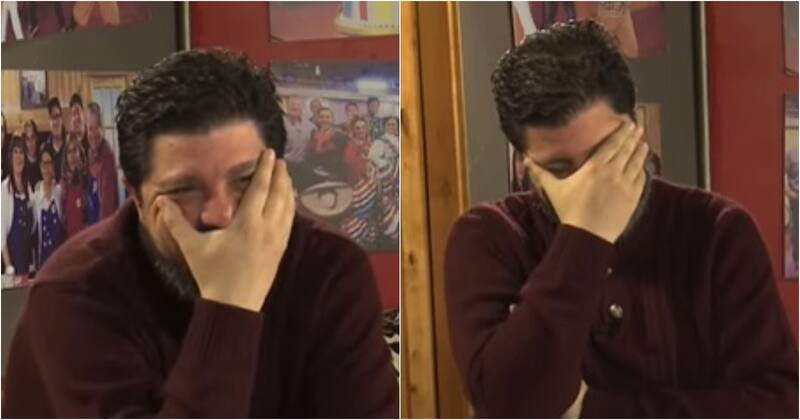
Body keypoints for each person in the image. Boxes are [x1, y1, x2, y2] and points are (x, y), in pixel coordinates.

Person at [2, 49, 398, 418]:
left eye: (245, 180)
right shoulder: (76, 293)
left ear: (279, 178)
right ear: (135, 195)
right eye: (183, 190)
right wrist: (231, 306)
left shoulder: (331, 272)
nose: (221, 215)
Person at [445, 21, 798, 418]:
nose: (592, 185)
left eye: (604, 156)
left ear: (636, 128)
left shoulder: (718, 231)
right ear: (523, 163)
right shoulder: (489, 237)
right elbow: (507, 404)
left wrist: (592, 411)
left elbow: (776, 406)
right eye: (561, 169)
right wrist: (585, 234)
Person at [1, 137, 35, 285]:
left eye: (21, 152)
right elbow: (1, 235)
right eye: (15, 152)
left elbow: (32, 226)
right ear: (10, 157)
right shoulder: (4, 189)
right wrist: (9, 268)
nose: (19, 156)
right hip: (13, 268)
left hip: (28, 265)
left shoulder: (28, 187)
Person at [61, 133, 100, 238]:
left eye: (75, 150)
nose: (72, 156)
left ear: (80, 153)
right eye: (69, 152)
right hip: (70, 242)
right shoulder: (63, 186)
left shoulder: (90, 182)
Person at [32, 144, 64, 269]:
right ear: (40, 167)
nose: (46, 168)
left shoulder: (60, 192)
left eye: (49, 163)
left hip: (61, 259)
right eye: (43, 164)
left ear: (53, 165)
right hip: (43, 262)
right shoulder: (35, 198)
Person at [86, 102, 119, 219]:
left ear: (102, 128)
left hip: (104, 223)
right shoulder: (90, 153)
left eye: (96, 128)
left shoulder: (107, 157)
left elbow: (107, 207)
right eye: (90, 128)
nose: (93, 134)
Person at [282, 95, 315, 164]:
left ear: (303, 107)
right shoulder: (278, 123)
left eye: (298, 105)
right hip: (283, 163)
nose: (295, 107)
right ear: (286, 106)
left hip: (304, 165)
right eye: (292, 104)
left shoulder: (311, 127)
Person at [44, 97, 67, 183]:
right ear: (49, 121)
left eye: (57, 116)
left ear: (61, 118)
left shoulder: (70, 144)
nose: (55, 122)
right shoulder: (45, 149)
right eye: (52, 118)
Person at [22, 119, 42, 191]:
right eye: (27, 139)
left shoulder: (42, 159)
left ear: (36, 138)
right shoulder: (22, 164)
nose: (31, 143)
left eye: (32, 137)